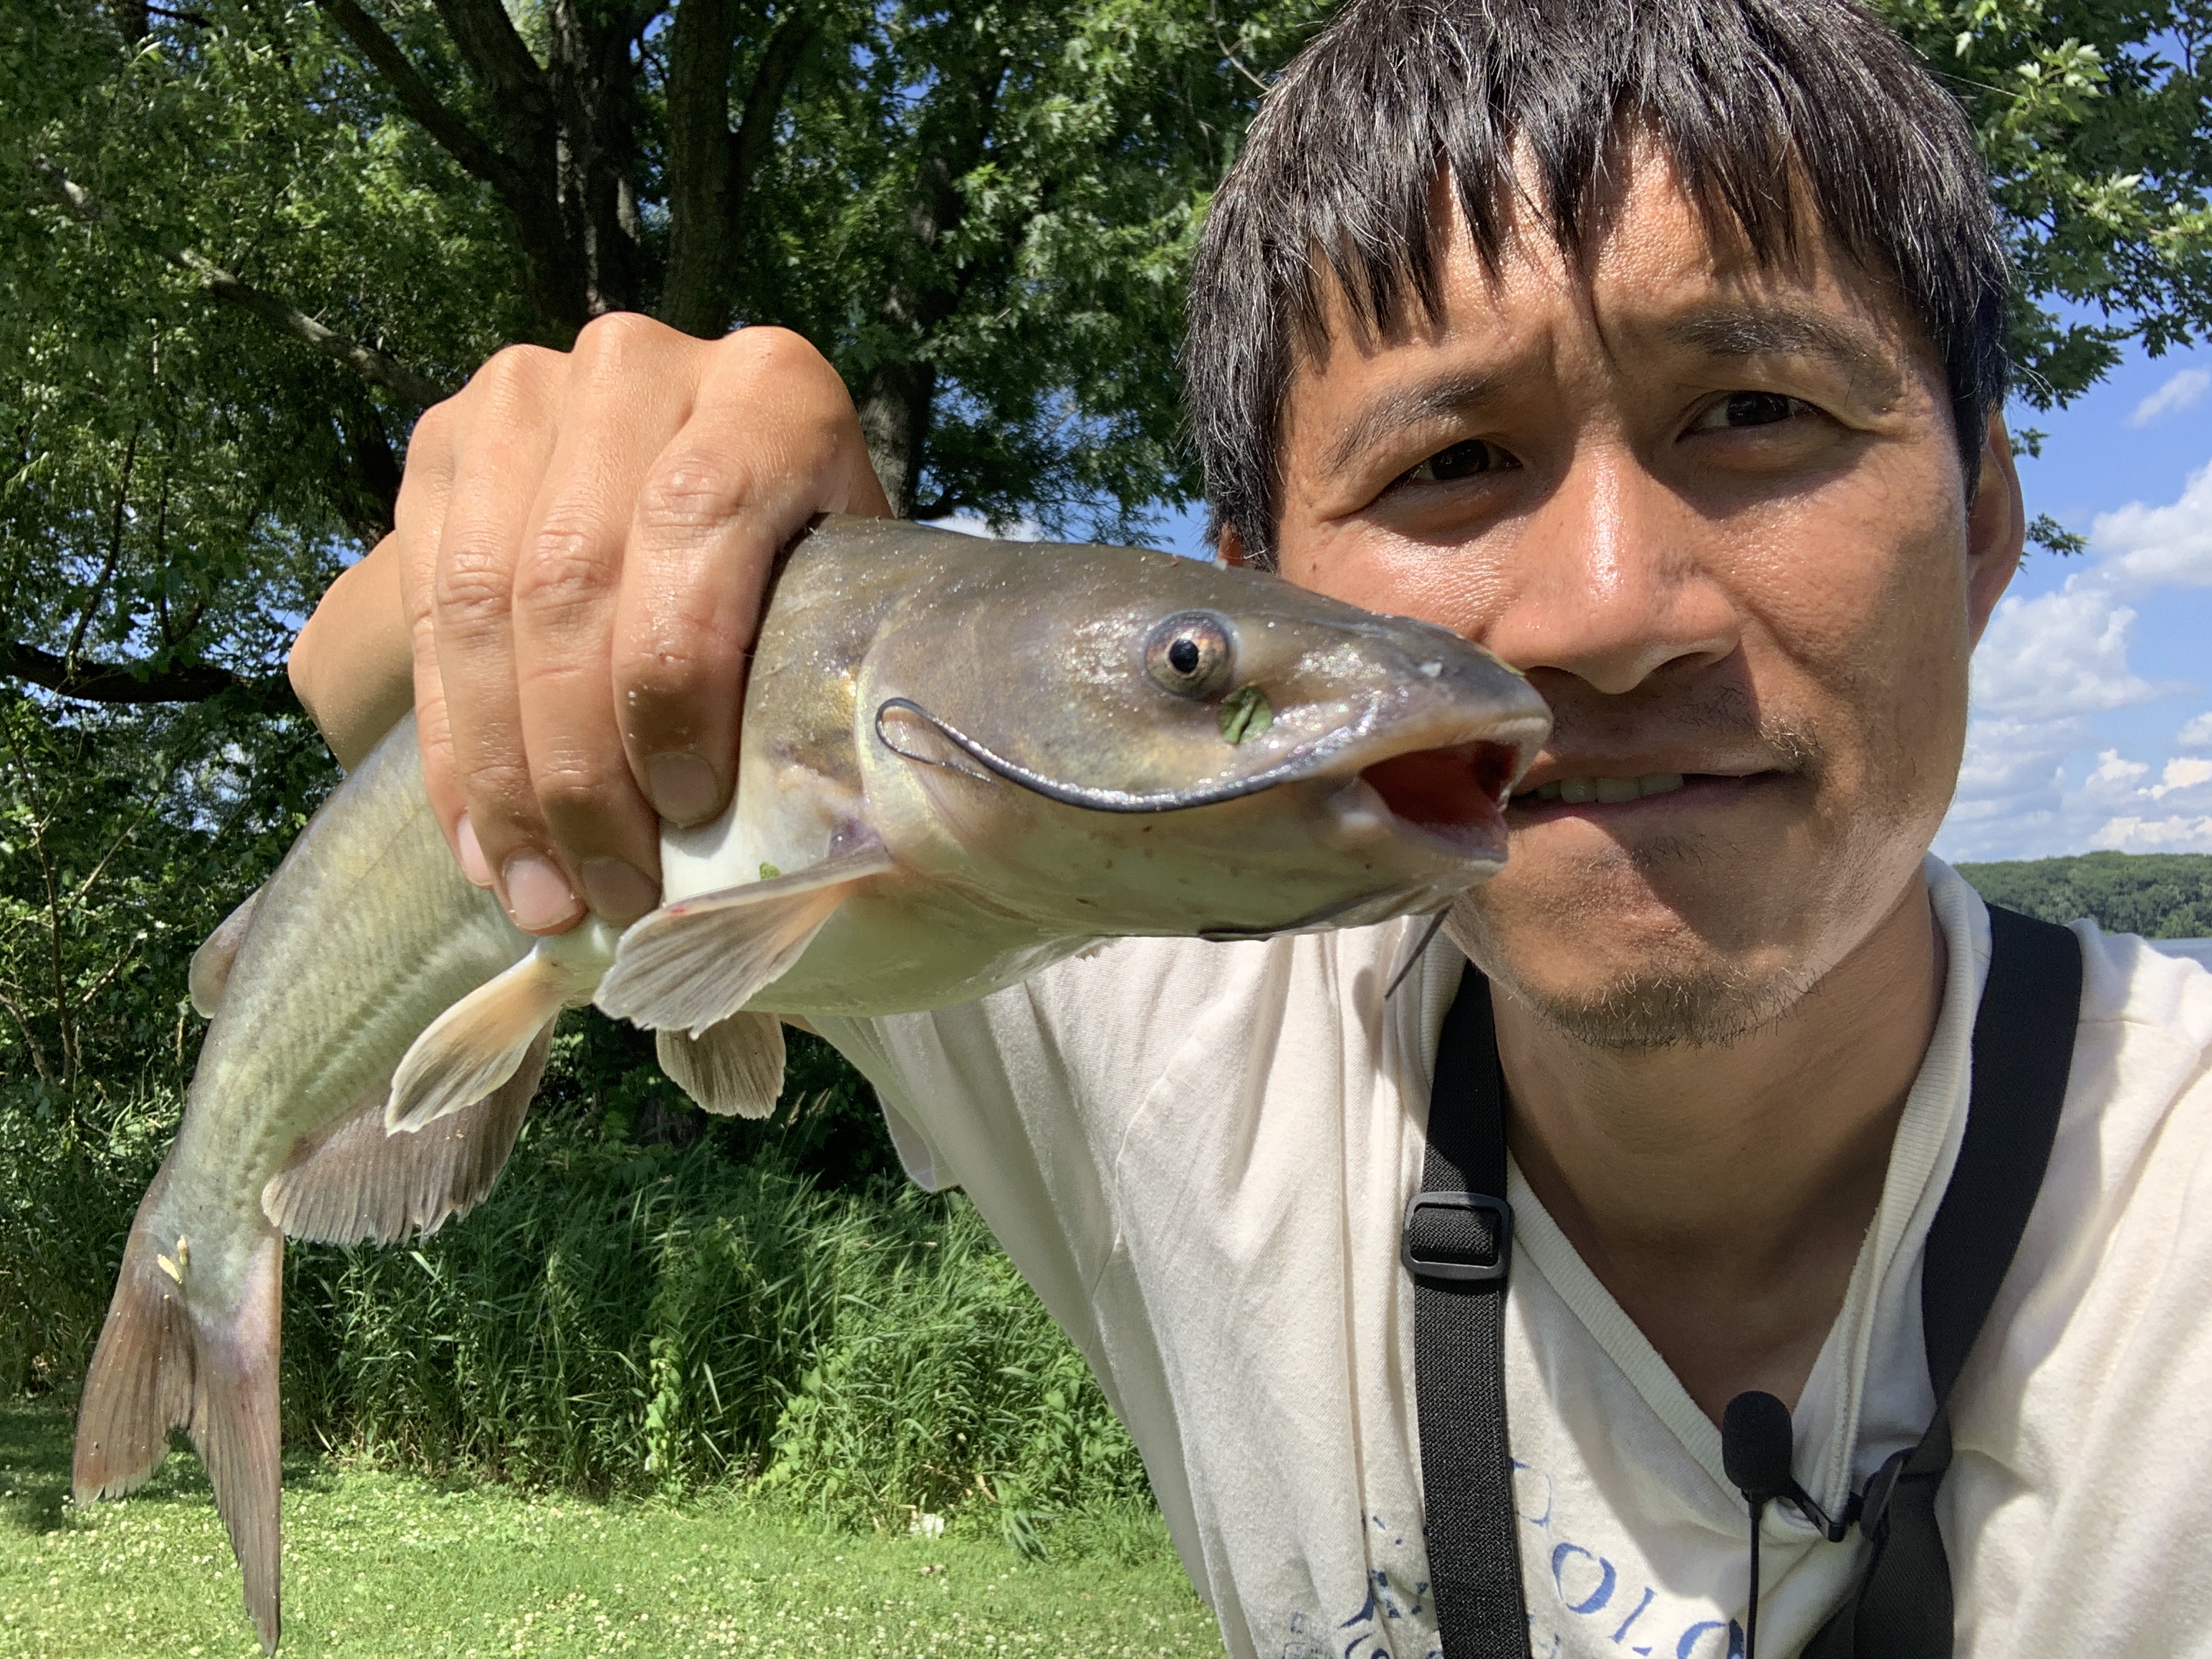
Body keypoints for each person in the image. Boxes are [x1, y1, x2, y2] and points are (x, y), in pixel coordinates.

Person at [286, 1, 2212, 1653]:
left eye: (1760, 412)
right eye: (1453, 463)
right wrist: (555, 535)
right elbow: (352, 673)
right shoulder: (1131, 985)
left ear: (1980, 525)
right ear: (1262, 576)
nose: (1614, 610)